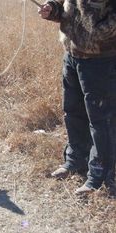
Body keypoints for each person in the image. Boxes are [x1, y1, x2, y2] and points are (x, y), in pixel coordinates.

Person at [38, 0, 116, 194]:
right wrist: (53, 10)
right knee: (72, 111)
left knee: (101, 120)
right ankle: (75, 161)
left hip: (101, 60)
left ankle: (99, 177)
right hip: (72, 55)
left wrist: (94, 33)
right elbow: (66, 7)